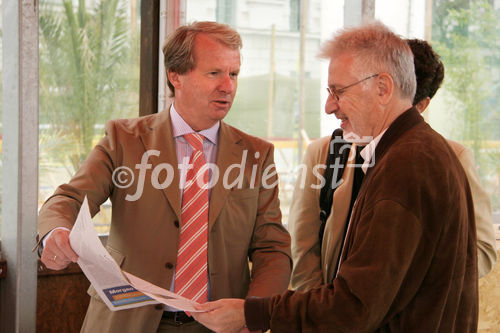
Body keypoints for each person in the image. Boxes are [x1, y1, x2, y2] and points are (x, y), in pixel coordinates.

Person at [192, 22, 478, 332]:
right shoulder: (410, 152)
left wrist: (252, 314)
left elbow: (355, 306)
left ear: (382, 88)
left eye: (338, 91)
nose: (329, 107)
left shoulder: (409, 165)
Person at [36, 21, 292, 333]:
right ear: (175, 76)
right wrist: (56, 232)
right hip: (126, 320)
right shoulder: (123, 139)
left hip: (218, 327)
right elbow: (69, 199)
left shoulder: (256, 154)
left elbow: (273, 248)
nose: (228, 86)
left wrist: (253, 312)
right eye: (214, 73)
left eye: (234, 74)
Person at [289, 38, 497, 292]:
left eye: (340, 91)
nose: (330, 107)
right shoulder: (324, 153)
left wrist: (397, 286)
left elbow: (482, 252)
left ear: (422, 106)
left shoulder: (452, 159)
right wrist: (322, 315)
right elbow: (303, 247)